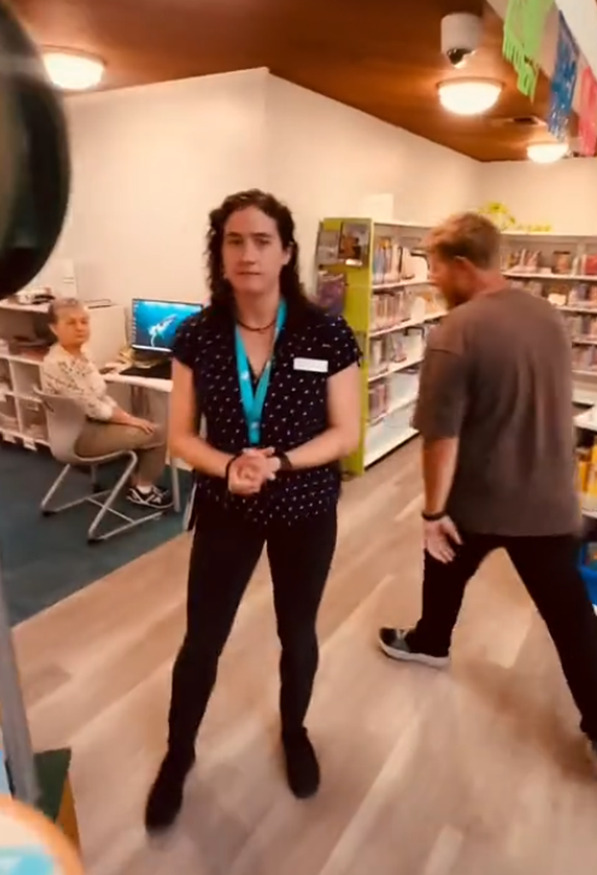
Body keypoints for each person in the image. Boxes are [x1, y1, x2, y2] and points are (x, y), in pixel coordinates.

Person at [378, 213, 597, 777]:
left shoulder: (456, 332)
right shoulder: (547, 314)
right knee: (571, 618)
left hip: (479, 502)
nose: (432, 279)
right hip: (550, 504)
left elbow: (440, 439)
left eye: (436, 267)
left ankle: (430, 642)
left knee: (440, 552)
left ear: (463, 266)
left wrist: (433, 511)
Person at [145, 190, 361, 832]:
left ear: (286, 252)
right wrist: (229, 467)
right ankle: (178, 754)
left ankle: (294, 731)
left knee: (296, 634)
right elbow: (180, 436)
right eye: (234, 241)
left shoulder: (325, 331)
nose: (247, 254)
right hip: (224, 508)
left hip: (305, 507)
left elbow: (345, 431)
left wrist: (279, 463)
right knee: (201, 641)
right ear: (220, 252)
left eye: (262, 241)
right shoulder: (198, 335)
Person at [41, 298, 171, 509]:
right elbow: (93, 406)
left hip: (79, 427)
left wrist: (128, 419)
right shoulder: (59, 363)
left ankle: (138, 481)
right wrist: (130, 420)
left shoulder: (81, 354)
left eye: (84, 321)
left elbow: (100, 397)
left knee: (140, 423)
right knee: (156, 431)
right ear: (54, 328)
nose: (80, 327)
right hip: (80, 436)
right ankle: (143, 490)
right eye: (71, 323)